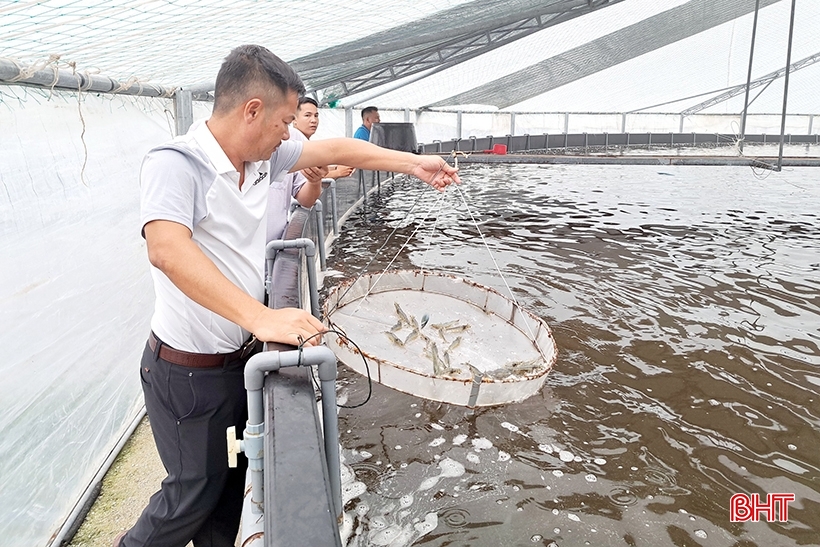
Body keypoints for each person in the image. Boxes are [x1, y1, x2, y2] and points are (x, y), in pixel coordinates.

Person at [117, 44, 459, 547]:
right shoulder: (178, 162)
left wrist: (413, 165)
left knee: (228, 495)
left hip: (236, 362)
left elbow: (340, 151)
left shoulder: (263, 158)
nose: (290, 133)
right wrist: (262, 318)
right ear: (251, 110)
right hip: (187, 370)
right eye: (283, 121)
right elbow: (167, 249)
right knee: (189, 495)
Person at [291, 96, 354, 180]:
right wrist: (337, 172)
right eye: (307, 115)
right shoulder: (293, 144)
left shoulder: (306, 143)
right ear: (293, 119)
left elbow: (316, 168)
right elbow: (303, 176)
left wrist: (336, 168)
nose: (314, 120)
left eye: (316, 115)